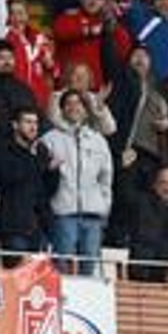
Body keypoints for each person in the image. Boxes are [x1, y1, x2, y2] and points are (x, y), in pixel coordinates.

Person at [40, 90, 114, 274]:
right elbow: (41, 177)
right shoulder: (49, 139)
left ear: (85, 110)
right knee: (61, 266)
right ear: (62, 109)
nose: (74, 107)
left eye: (78, 103)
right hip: (63, 213)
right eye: (69, 104)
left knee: (89, 268)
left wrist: (104, 204)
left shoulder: (98, 140)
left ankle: (86, 304)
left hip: (93, 215)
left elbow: (106, 176)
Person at [0, 107, 50, 257]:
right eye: (28, 122)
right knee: (15, 274)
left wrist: (53, 171)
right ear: (15, 125)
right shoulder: (4, 149)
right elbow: (9, 177)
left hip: (36, 226)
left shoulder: (40, 151)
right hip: (12, 226)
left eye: (35, 123)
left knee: (34, 278)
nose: (33, 127)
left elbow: (47, 189)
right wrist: (33, 158)